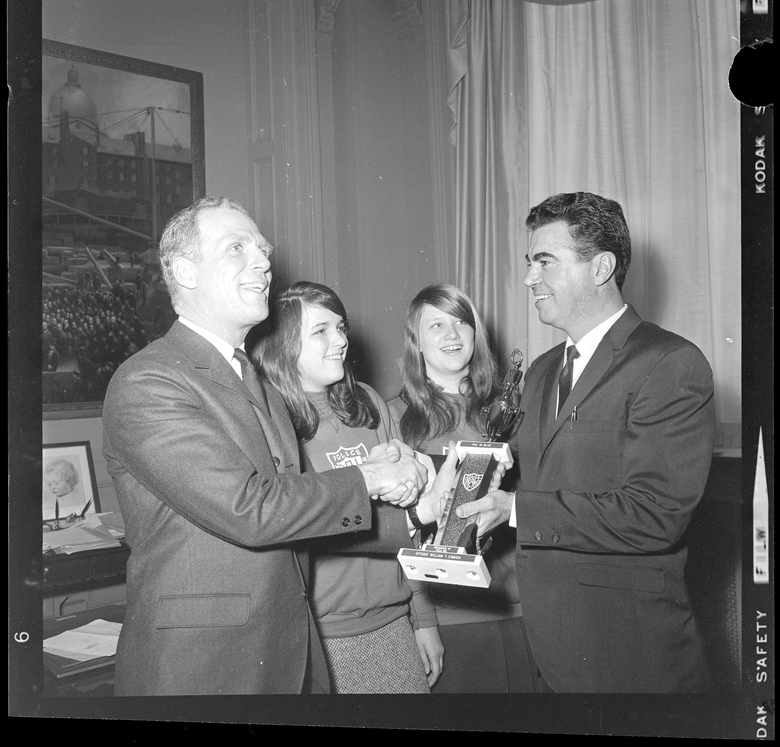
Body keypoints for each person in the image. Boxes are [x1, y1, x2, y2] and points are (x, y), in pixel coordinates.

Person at [102, 196, 443, 696]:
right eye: (236, 248)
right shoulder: (149, 381)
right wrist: (368, 478)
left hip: (289, 649)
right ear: (185, 271)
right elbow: (250, 508)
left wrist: (416, 517)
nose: (262, 261)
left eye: (262, 250)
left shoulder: (254, 382)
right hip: (203, 667)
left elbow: (296, 515)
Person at [456, 192, 715, 693]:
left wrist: (514, 509)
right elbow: (527, 476)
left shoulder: (669, 364)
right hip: (549, 649)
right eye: (530, 263)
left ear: (602, 268)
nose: (530, 278)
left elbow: (655, 513)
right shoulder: (541, 372)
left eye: (545, 262)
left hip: (630, 659)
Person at [253, 281, 455, 692]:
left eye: (341, 327)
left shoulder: (366, 402)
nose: (341, 340)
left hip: (393, 621)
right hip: (322, 635)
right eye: (321, 331)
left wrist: (423, 617)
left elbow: (406, 523)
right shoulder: (269, 422)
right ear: (283, 344)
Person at [386, 283, 536, 693]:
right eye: (436, 325)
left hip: (522, 604)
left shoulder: (513, 411)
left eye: (461, 322)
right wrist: (424, 621)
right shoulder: (396, 418)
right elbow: (400, 529)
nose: (453, 334)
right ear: (416, 341)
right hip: (450, 613)